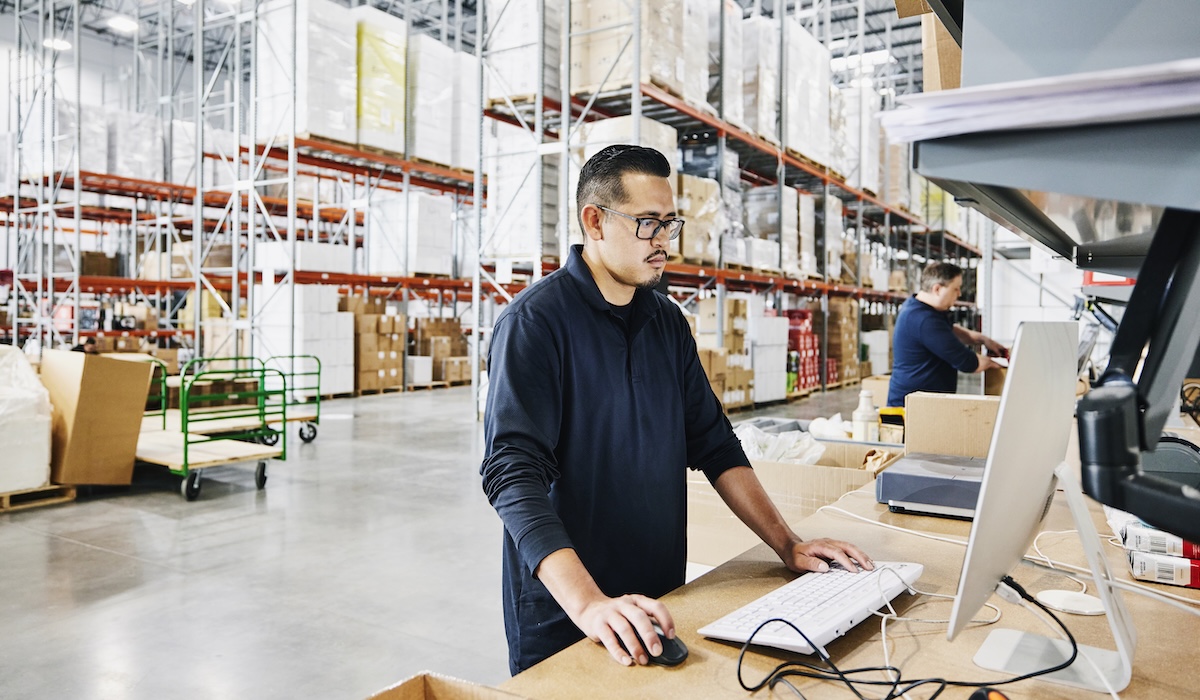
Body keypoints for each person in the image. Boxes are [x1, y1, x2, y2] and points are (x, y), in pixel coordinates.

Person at [480, 144, 874, 675]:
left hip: (662, 599)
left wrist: (789, 545)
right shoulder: (535, 324)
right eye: (648, 224)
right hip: (569, 613)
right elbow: (512, 475)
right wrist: (589, 604)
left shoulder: (666, 323)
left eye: (670, 223)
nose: (664, 242)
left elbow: (714, 442)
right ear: (594, 221)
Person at [887, 262, 1008, 408]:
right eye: (955, 289)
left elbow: (948, 330)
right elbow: (968, 363)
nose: (959, 294)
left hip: (924, 404)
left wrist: (982, 339)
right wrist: (997, 363)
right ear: (937, 289)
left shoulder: (919, 307)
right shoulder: (924, 320)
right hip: (911, 409)